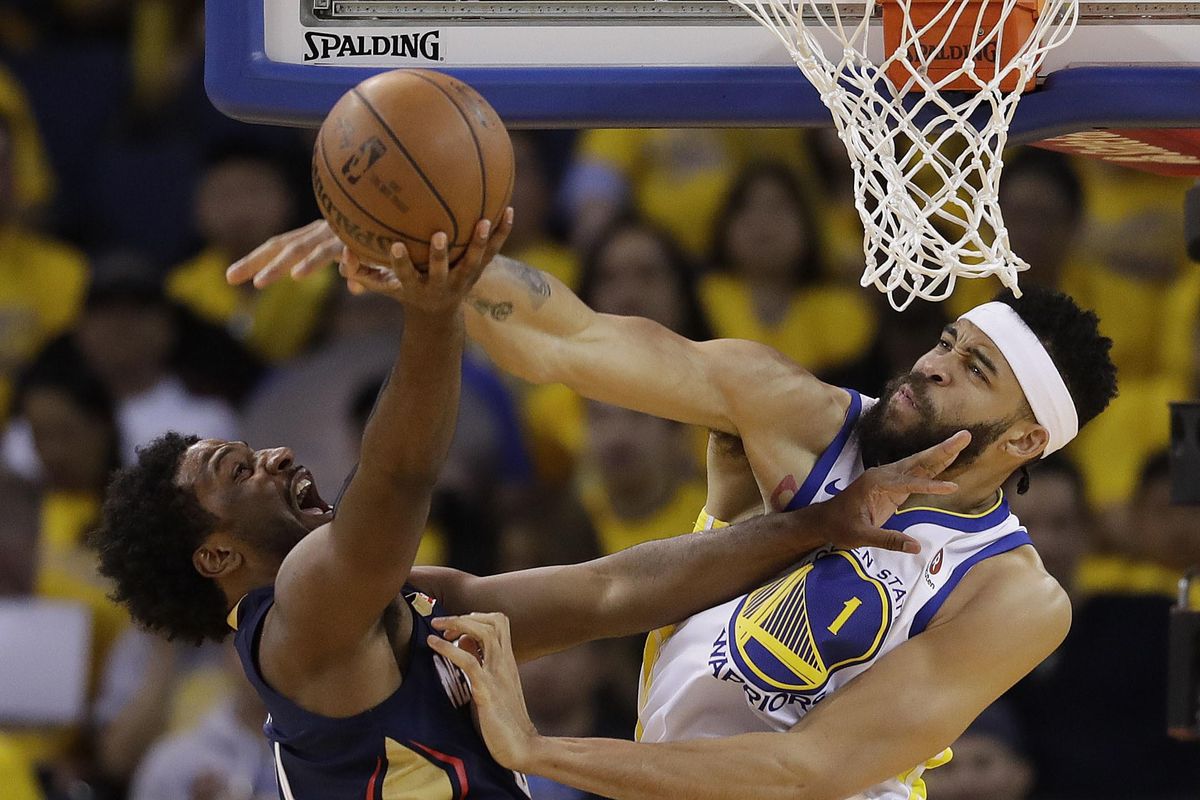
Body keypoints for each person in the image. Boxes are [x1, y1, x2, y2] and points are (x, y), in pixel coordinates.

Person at [233, 217, 1118, 800]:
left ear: (1025, 440)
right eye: (947, 342)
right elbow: (566, 340)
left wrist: (539, 752)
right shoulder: (794, 414)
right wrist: (430, 255)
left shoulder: (1010, 593)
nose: (933, 365)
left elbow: (802, 770)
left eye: (975, 372)